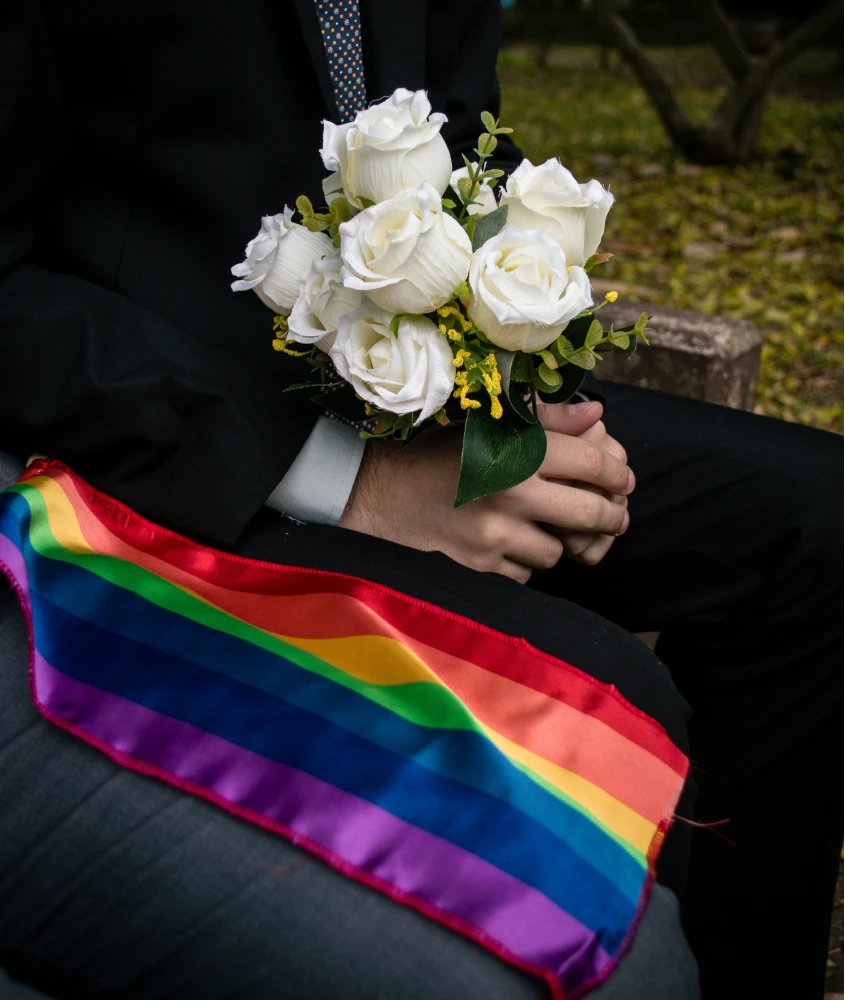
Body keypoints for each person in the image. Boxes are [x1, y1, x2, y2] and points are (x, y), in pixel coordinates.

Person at [0, 1, 840, 998]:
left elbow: (456, 143)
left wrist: (515, 391)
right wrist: (340, 477)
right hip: (155, 448)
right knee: (613, 701)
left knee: (812, 526)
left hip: (409, 393)